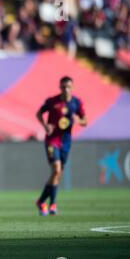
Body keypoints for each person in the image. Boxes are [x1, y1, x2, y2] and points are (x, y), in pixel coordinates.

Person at [35, 76, 87, 216]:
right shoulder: (53, 101)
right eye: (63, 87)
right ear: (60, 88)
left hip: (66, 141)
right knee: (57, 169)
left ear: (72, 87)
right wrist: (45, 125)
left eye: (68, 87)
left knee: (57, 174)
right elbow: (39, 113)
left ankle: (41, 202)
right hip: (52, 140)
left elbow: (85, 120)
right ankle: (52, 204)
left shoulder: (76, 103)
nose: (66, 89)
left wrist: (79, 120)